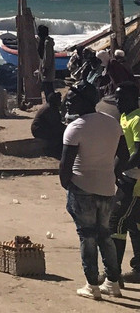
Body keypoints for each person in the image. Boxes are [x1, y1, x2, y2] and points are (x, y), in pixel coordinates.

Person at [60, 81, 127, 299]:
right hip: (106, 188)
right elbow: (124, 155)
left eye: (71, 99)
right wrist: (111, 173)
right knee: (105, 235)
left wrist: (68, 184)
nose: (67, 102)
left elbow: (65, 165)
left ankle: (92, 285)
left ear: (84, 100)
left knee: (87, 236)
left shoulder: (75, 127)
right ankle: (112, 283)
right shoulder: (112, 123)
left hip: (81, 188)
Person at [111, 83, 140, 274]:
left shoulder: (137, 119)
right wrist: (114, 170)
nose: (117, 102)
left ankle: (113, 274)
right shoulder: (124, 117)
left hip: (134, 180)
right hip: (128, 176)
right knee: (134, 223)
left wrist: (122, 170)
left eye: (121, 98)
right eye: (116, 98)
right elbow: (124, 149)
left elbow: (138, 153)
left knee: (116, 221)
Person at [32, 91, 66, 158]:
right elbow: (56, 124)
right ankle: (55, 151)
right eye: (59, 100)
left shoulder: (51, 107)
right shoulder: (50, 109)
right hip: (39, 130)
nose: (60, 102)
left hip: (43, 128)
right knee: (60, 135)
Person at [37, 24, 57, 96]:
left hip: (47, 69)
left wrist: (45, 68)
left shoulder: (47, 43)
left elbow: (47, 57)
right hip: (46, 68)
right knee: (48, 87)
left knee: (48, 88)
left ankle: (51, 101)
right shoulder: (44, 41)